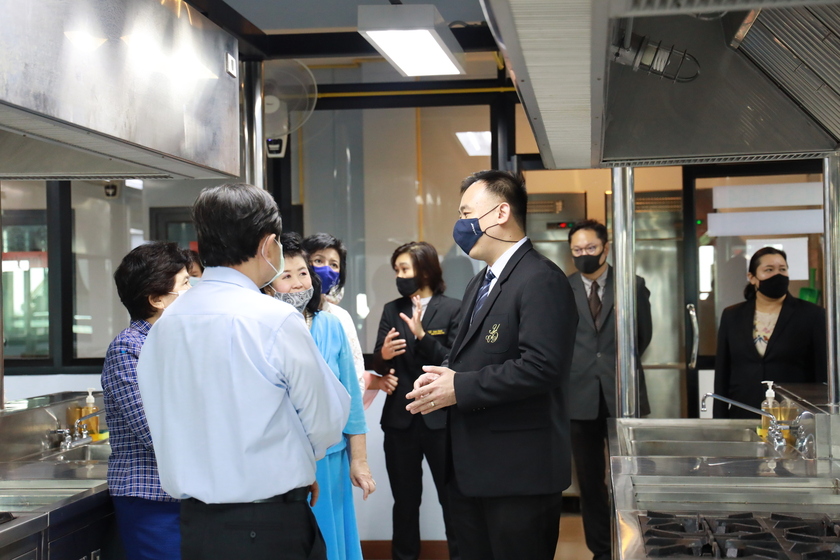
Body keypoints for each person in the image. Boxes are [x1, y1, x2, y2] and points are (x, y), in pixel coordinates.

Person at [137, 183, 350, 560]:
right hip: (268, 527)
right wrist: (294, 461)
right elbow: (327, 420)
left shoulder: (166, 324)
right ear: (268, 245)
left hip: (197, 526)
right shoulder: (275, 320)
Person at [406, 170, 578, 560]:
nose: (460, 224)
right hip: (471, 472)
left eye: (466, 213)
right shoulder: (480, 282)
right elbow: (465, 355)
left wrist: (458, 388)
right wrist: (438, 380)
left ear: (501, 213)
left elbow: (542, 366)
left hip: (518, 476)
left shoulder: (540, 279)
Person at [268, 232, 373, 560]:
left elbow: (351, 399)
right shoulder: (260, 329)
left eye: (302, 273)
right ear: (268, 285)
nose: (298, 283)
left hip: (329, 460)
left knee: (330, 542)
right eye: (286, 276)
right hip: (278, 461)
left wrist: (359, 461)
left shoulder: (330, 325)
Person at [566, 219, 653, 560]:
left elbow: (643, 336)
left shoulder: (631, 284)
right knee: (590, 482)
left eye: (590, 248)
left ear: (606, 247)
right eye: (577, 250)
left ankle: (634, 547)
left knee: (629, 477)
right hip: (579, 396)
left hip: (623, 392)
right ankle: (601, 550)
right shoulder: (563, 287)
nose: (584, 254)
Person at [102, 242, 193, 560]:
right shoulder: (128, 349)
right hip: (151, 499)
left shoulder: (181, 341)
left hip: (188, 495)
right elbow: (153, 431)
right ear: (156, 299)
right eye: (185, 284)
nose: (193, 292)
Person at [373, 241, 462, 560]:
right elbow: (380, 365)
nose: (399, 276)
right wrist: (383, 356)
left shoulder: (453, 309)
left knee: (452, 501)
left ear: (425, 271)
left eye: (405, 269)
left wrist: (422, 336)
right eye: (397, 270)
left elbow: (454, 362)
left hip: (441, 421)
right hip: (400, 421)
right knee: (405, 503)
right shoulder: (391, 309)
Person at [714, 246, 827, 417]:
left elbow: (822, 372)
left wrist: (820, 418)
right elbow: (722, 373)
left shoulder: (811, 315)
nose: (777, 275)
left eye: (782, 269)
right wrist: (719, 420)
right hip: (744, 411)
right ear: (752, 277)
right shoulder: (732, 315)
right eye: (769, 270)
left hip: (793, 416)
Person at [304, 233, 366, 395]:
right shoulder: (289, 313)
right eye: (319, 261)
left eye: (334, 265)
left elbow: (356, 376)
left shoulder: (340, 317)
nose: (327, 269)